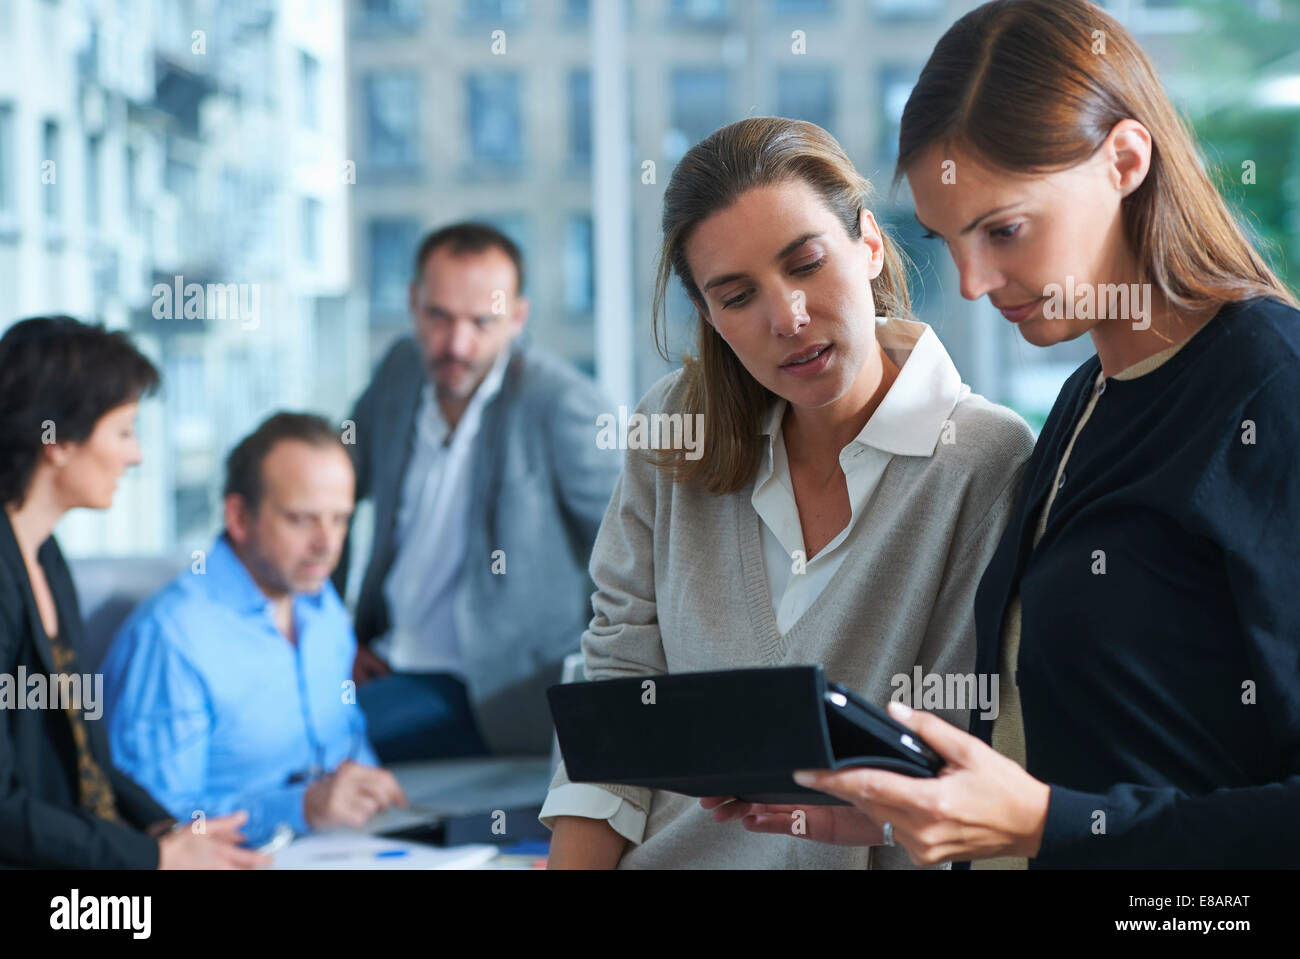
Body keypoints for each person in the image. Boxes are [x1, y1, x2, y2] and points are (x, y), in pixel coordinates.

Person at [727, 0, 1300, 869]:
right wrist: (902, 812)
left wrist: (1040, 824)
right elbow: (1104, 754)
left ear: (1125, 161)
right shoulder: (1086, 398)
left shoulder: (1272, 391)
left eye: (1003, 230)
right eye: (949, 238)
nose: (971, 281)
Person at [541, 116, 1036, 869]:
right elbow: (618, 682)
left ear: (869, 243)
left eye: (806, 264)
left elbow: (949, 760)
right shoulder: (675, 427)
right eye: (738, 296)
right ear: (709, 316)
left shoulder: (982, 460)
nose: (788, 319)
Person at [335, 222, 621, 760]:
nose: (456, 345)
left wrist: (607, 698)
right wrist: (332, 636)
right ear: (413, 303)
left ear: (517, 317)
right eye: (439, 317)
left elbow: (630, 556)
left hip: (491, 689)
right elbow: (330, 490)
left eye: (481, 322)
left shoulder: (563, 404)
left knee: (308, 739)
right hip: (385, 657)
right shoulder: (401, 368)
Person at [0, 316, 266, 868]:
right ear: (59, 441)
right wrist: (152, 858)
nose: (136, 454)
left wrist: (166, 831)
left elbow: (86, 759)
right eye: (123, 432)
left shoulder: (45, 557)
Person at [103, 413, 407, 849]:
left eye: (340, 519)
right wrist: (298, 808)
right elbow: (153, 822)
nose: (327, 544)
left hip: (350, 846)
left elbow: (347, 741)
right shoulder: (171, 636)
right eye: (302, 519)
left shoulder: (321, 606)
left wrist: (365, 783)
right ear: (239, 517)